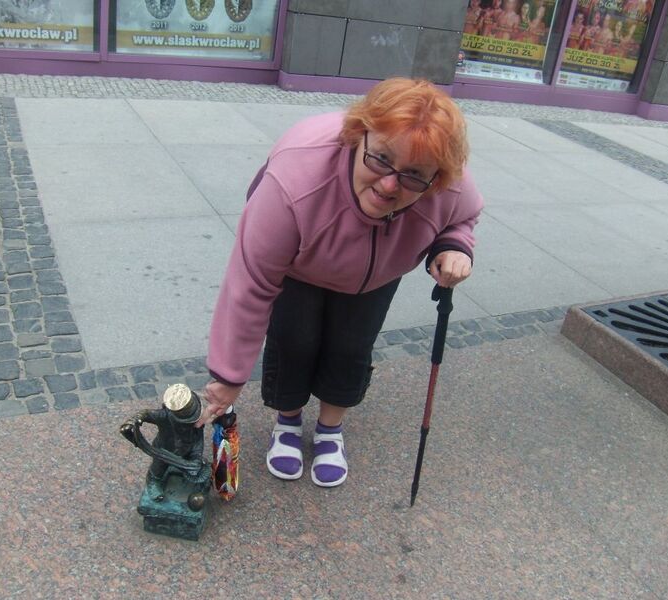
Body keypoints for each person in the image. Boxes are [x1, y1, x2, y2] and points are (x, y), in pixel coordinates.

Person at [197, 78, 484, 488]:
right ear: (357, 136)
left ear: (436, 178)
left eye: (413, 175)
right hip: (300, 264)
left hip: (377, 274)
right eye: (380, 158)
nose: (389, 184)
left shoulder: (446, 178)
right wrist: (228, 376)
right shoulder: (294, 179)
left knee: (351, 347)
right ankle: (288, 422)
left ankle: (330, 429)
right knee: (294, 340)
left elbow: (463, 216)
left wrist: (455, 245)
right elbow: (251, 282)